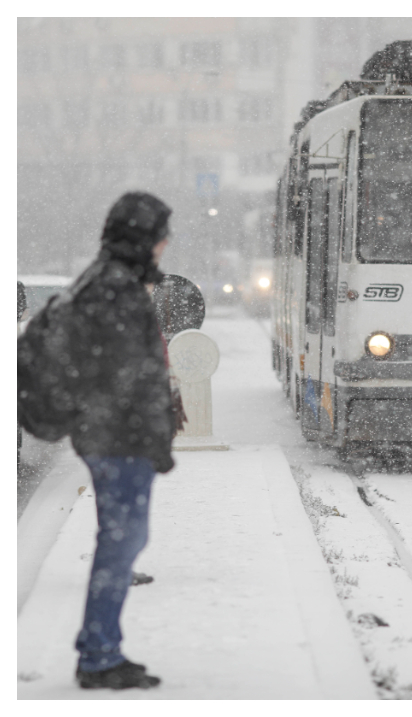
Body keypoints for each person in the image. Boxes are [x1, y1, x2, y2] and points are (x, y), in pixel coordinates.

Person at [70, 191, 175, 689]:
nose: (165, 244)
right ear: (142, 239)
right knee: (121, 541)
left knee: (125, 538)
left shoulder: (111, 281)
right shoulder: (114, 288)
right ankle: (97, 656)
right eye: (159, 235)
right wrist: (147, 434)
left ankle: (99, 648)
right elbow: (119, 375)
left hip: (115, 434)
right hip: (116, 438)